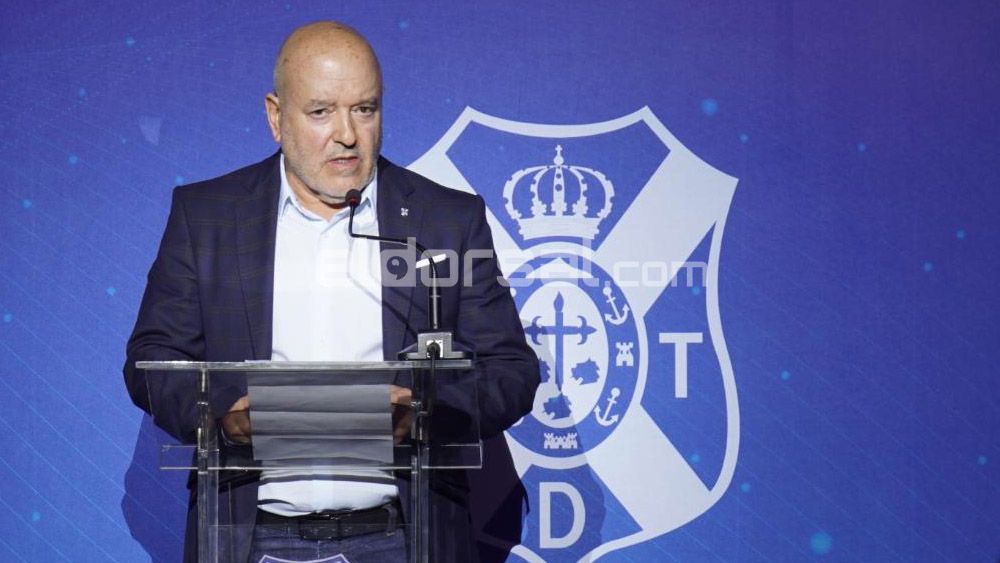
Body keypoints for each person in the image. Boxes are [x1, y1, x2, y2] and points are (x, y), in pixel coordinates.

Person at [123, 21, 539, 563]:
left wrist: (424, 413)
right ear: (276, 116)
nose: (347, 134)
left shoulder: (446, 221)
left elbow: (509, 370)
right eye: (321, 112)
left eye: (364, 109)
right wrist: (225, 416)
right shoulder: (207, 218)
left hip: (406, 536)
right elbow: (152, 360)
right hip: (249, 536)